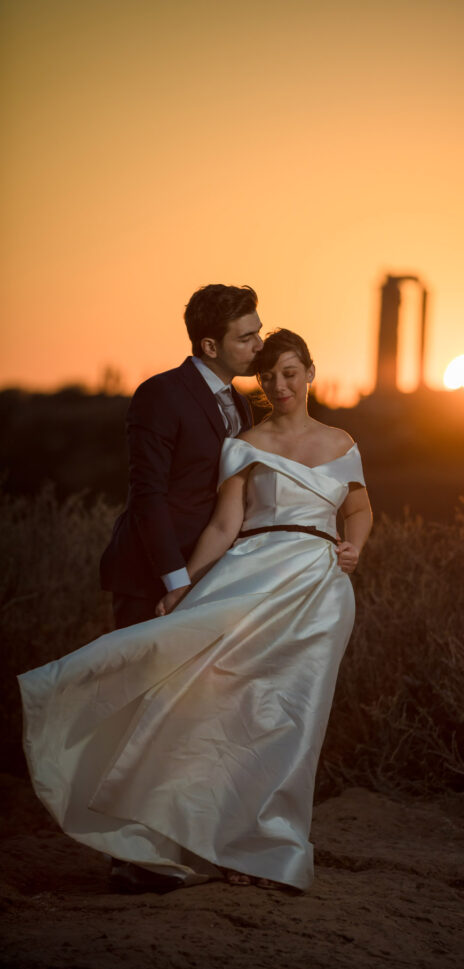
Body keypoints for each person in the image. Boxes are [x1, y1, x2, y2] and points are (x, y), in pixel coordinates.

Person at [18, 330, 372, 895]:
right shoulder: (245, 442)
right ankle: (160, 837)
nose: (278, 385)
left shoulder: (343, 441)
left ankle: (265, 850)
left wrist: (355, 545)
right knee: (204, 701)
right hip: (251, 572)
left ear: (310, 372)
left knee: (288, 720)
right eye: (268, 376)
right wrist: (186, 586)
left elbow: (358, 507)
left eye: (289, 372)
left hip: (319, 590)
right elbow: (224, 525)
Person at [100, 283, 263, 629]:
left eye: (258, 333)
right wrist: (177, 581)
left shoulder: (241, 403)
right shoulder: (160, 394)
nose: (259, 346)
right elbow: (148, 495)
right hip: (154, 577)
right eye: (246, 338)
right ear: (210, 346)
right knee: (143, 682)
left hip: (214, 573)